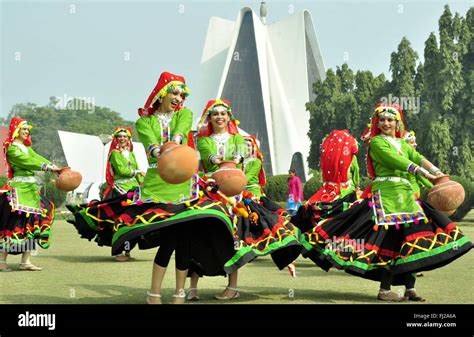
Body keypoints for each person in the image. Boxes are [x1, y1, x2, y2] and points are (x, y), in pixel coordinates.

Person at [67, 73, 252, 304]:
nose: (179, 98)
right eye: (174, 93)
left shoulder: (185, 114)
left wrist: (175, 148)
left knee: (184, 239)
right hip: (158, 184)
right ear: (162, 93)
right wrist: (163, 153)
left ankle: (179, 294)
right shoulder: (144, 122)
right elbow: (152, 146)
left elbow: (181, 131)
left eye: (182, 94)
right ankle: (154, 293)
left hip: (185, 185)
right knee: (169, 240)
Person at [300, 103, 472, 301]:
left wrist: (437, 173)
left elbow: (418, 157)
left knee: (413, 241)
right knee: (389, 244)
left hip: (407, 197)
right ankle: (384, 290)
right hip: (385, 198)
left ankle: (410, 288)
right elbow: (395, 161)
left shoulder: (404, 144)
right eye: (382, 119)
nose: (386, 123)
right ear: (377, 122)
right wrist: (424, 173)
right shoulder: (376, 143)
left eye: (390, 119)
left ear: (397, 122)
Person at [187, 100, 301, 300]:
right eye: (215, 114)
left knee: (232, 238)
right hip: (211, 191)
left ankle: (232, 287)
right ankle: (192, 287)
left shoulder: (238, 138)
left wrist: (234, 165)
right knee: (198, 235)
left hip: (233, 195)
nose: (220, 117)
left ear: (229, 117)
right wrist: (226, 163)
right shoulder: (204, 140)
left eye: (223, 113)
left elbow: (240, 157)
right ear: (210, 118)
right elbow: (210, 158)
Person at [0, 117, 61, 271]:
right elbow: (27, 162)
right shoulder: (12, 148)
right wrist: (46, 167)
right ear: (16, 130)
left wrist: (53, 166)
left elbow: (36, 158)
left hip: (31, 190)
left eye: (28, 129)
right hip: (19, 190)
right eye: (24, 129)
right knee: (13, 224)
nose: (27, 132)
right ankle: (2, 261)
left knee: (31, 225)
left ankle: (25, 261)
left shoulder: (27, 148)